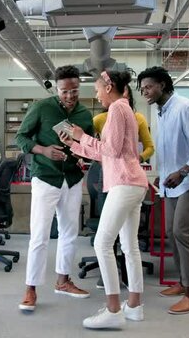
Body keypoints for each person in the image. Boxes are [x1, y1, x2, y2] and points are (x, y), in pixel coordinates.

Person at [59, 70, 148, 329]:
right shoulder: (125, 108)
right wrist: (76, 145)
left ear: (109, 86)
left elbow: (110, 150)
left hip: (124, 184)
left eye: (97, 88)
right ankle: (134, 306)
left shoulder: (117, 111)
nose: (96, 94)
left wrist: (81, 136)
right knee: (130, 247)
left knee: (102, 244)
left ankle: (113, 310)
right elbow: (108, 153)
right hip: (133, 183)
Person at [15, 65, 95, 312]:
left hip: (71, 180)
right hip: (46, 179)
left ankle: (63, 280)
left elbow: (89, 146)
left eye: (74, 90)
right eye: (64, 91)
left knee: (69, 233)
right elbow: (21, 138)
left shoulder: (84, 115)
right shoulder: (42, 108)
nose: (70, 96)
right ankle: (31, 288)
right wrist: (43, 150)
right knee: (39, 236)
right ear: (57, 89)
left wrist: (83, 157)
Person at [137, 66, 189, 315]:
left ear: (163, 84)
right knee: (170, 231)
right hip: (172, 181)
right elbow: (170, 146)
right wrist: (164, 170)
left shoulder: (184, 107)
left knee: (183, 232)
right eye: (142, 89)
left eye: (148, 87)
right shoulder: (162, 112)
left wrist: (181, 171)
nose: (144, 92)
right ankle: (182, 283)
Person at [92, 84, 155, 163]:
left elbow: (150, 147)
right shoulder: (99, 119)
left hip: (128, 168)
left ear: (128, 97)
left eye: (123, 95)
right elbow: (86, 142)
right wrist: (97, 156)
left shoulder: (138, 118)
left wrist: (139, 158)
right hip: (106, 167)